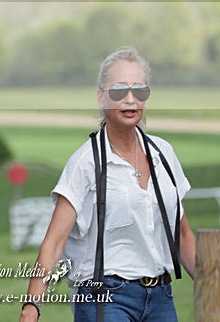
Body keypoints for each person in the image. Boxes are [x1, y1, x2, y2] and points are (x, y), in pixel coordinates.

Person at [19, 47, 196, 321]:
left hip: (162, 297)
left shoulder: (164, 154)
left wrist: (216, 286)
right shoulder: (85, 163)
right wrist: (31, 308)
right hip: (105, 299)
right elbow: (53, 244)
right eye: (119, 91)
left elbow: (182, 236)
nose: (130, 99)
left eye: (139, 90)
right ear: (102, 97)